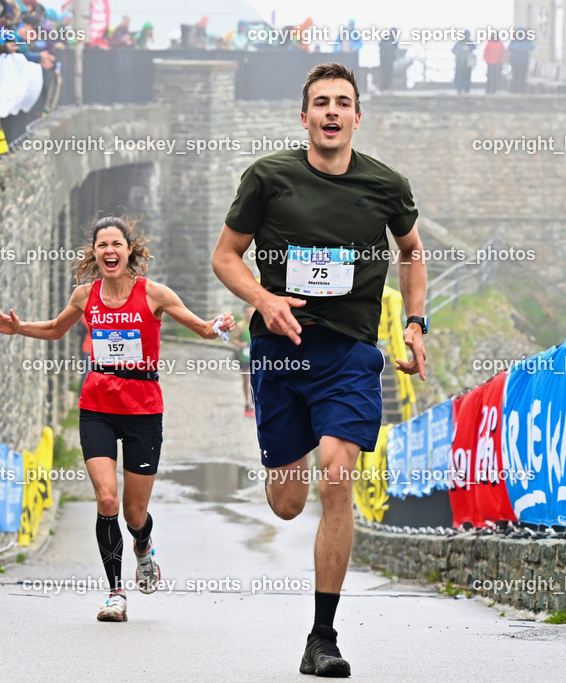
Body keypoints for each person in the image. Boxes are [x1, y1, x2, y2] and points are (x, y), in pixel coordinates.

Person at [211, 62, 427, 677]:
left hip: (350, 356)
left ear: (358, 116)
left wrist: (414, 323)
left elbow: (412, 253)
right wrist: (263, 299)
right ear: (303, 115)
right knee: (286, 501)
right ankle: (288, 454)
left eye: (343, 103)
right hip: (281, 353)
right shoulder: (269, 178)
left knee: (338, 480)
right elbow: (226, 255)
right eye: (320, 103)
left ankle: (322, 638)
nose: (332, 112)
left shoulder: (386, 185)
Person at [0, 216, 235, 623]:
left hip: (143, 410)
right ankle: (115, 593)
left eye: (116, 244)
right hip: (97, 405)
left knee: (135, 514)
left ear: (129, 250)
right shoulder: (85, 296)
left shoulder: (153, 293)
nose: (109, 251)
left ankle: (143, 545)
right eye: (102, 245)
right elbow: (54, 329)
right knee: (106, 500)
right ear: (95, 253)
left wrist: (219, 326)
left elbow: (202, 329)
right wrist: (19, 328)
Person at [231, 303, 254, 417]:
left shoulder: (256, 324)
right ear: (245, 312)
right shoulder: (241, 325)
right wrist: (240, 344)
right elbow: (233, 339)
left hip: (254, 356)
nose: (250, 313)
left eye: (251, 311)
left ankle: (253, 403)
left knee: (254, 381)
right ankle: (247, 402)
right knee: (246, 380)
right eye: (248, 312)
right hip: (244, 357)